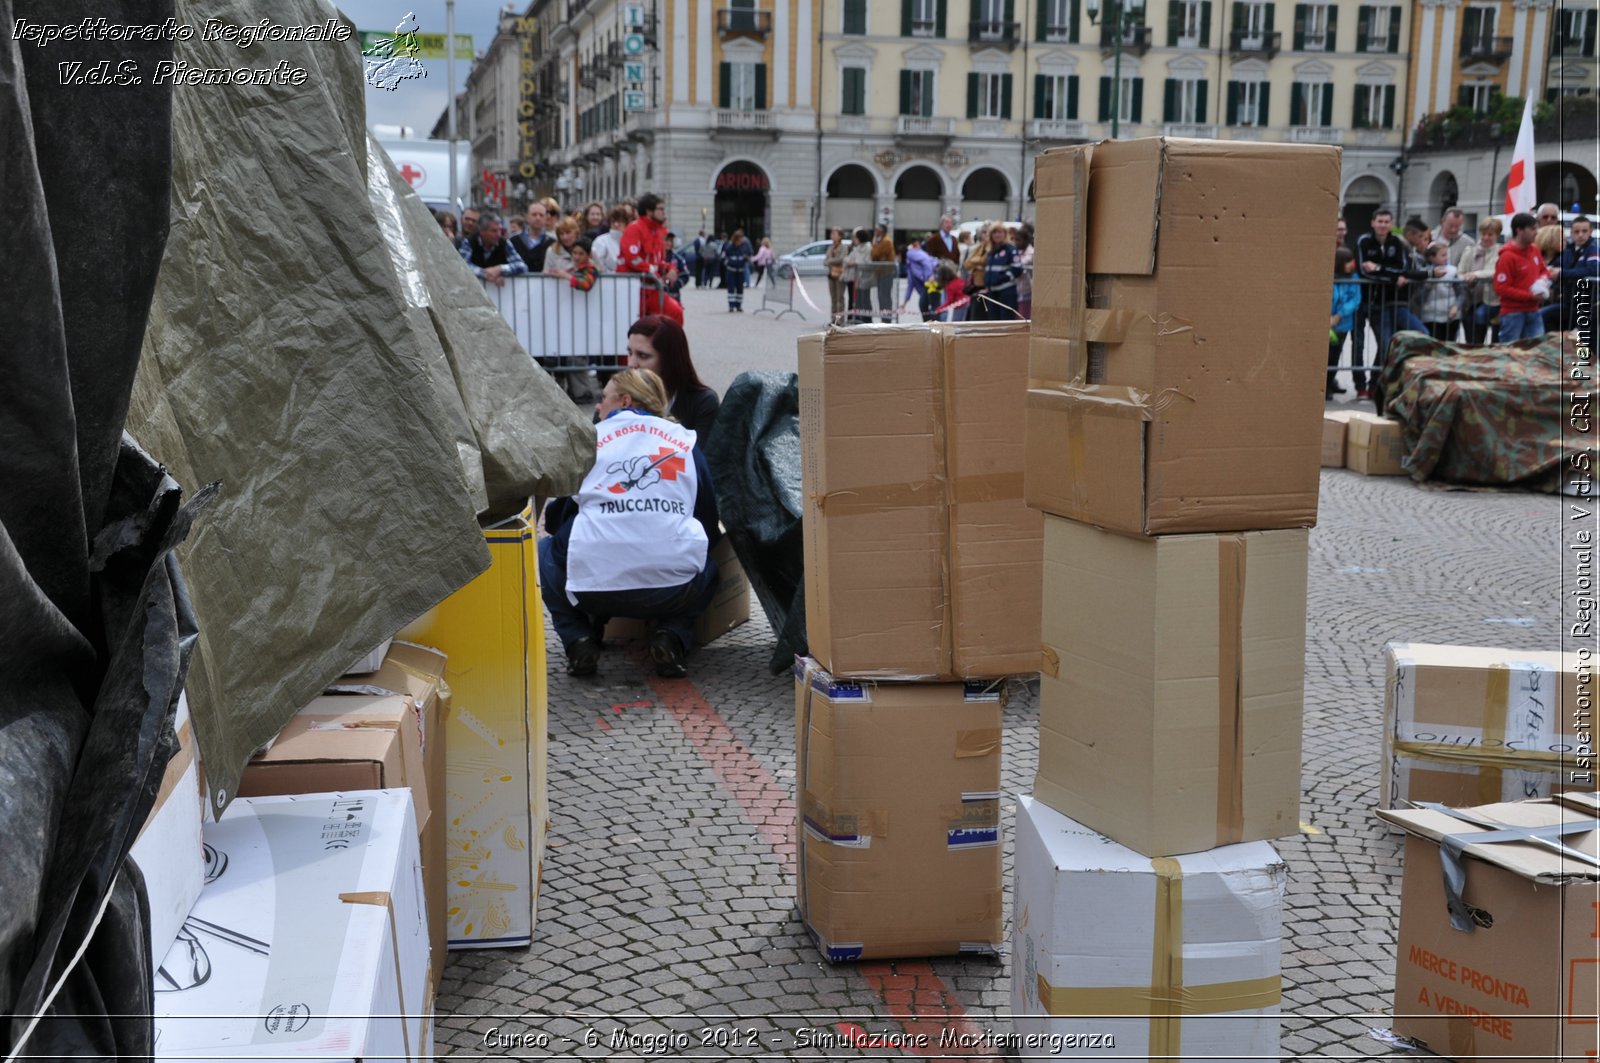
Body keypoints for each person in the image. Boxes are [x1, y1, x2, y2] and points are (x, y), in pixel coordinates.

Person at [537, 368, 721, 679]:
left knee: (544, 551)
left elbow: (557, 518)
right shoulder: (684, 443)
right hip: (673, 589)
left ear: (624, 401)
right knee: (710, 565)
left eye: (603, 398)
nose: (598, 406)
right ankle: (671, 635)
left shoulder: (592, 440)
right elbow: (706, 518)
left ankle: (578, 639)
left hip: (591, 590)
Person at [626, 315, 720, 440]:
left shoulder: (702, 402)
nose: (631, 363)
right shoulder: (615, 396)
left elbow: (702, 457)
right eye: (630, 353)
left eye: (642, 356)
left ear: (669, 359)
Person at [1353, 209, 1412, 398]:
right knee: (1358, 345)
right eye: (1380, 221)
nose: (1383, 225)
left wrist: (1379, 268)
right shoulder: (1363, 241)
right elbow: (1364, 273)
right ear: (1373, 223)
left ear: (1391, 224)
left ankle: (1375, 384)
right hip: (1361, 302)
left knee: (1385, 344)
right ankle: (1360, 386)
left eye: (1387, 222)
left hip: (1383, 302)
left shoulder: (1397, 242)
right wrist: (1391, 276)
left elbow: (1402, 268)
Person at [618, 192, 682, 323]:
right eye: (660, 209)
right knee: (637, 325)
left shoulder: (658, 231)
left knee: (675, 312)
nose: (664, 212)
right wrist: (652, 270)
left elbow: (659, 261)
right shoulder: (634, 228)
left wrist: (670, 268)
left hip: (652, 290)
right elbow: (632, 258)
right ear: (649, 211)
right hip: (635, 290)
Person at [1493, 212, 1552, 342]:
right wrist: (1529, 296)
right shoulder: (1507, 257)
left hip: (1534, 310)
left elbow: (1543, 270)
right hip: (1513, 313)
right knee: (1511, 353)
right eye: (1532, 229)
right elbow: (1501, 288)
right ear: (1519, 230)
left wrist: (1543, 280)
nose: (1536, 232)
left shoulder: (1535, 250)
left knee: (1536, 350)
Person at [1456, 217, 1503, 344]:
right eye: (1483, 234)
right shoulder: (1469, 251)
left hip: (1492, 300)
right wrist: (1465, 277)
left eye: (1490, 234)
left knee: (1479, 316)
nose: (1486, 237)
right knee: (1468, 325)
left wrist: (1476, 275)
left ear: (1497, 235)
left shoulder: (1501, 252)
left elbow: (1496, 272)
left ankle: (1480, 349)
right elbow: (1460, 272)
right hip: (1470, 298)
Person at [458, 212, 528, 287]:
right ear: (482, 231)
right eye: (494, 231)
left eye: (500, 230)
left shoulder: (504, 243)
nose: (498, 234)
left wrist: (500, 269)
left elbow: (522, 266)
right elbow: (462, 266)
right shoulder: (469, 242)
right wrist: (484, 273)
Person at [1329, 247, 1361, 397]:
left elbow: (1355, 299)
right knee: (1325, 357)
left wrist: (1338, 315)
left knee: (1335, 356)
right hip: (1328, 324)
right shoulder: (1329, 276)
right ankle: (1324, 386)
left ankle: (1329, 384)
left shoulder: (1354, 278)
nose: (1351, 264)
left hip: (1342, 324)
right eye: (1347, 261)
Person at [1558, 216, 1598, 333]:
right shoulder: (1568, 250)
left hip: (1587, 304)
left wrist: (1562, 273)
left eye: (1584, 231)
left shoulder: (1593, 249)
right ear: (1571, 233)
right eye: (1576, 231)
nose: (1580, 235)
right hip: (1568, 301)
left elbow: (1593, 270)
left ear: (1590, 231)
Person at [1416, 242, 1463, 342]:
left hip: (1451, 317)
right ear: (1432, 257)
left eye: (1447, 254)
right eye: (1443, 255)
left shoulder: (1452, 271)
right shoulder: (1424, 273)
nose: (1446, 258)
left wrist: (1456, 306)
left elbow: (1460, 293)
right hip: (1430, 317)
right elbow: (1418, 298)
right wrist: (1430, 283)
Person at [979, 223, 1022, 318]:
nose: (997, 235)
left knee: (1005, 323)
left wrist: (1000, 278)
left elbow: (1017, 269)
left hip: (1006, 293)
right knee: (993, 323)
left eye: (1000, 232)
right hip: (992, 293)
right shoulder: (991, 252)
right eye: (994, 232)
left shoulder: (1011, 250)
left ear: (1005, 234)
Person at [868, 225, 898, 322]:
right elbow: (875, 255)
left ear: (882, 231)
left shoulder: (886, 241)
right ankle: (884, 318)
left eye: (877, 230)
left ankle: (887, 319)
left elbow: (874, 254)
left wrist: (874, 244)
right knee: (881, 296)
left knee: (884, 297)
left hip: (886, 273)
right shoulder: (880, 241)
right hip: (881, 272)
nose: (875, 232)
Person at [902, 236, 936, 321]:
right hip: (929, 283)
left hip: (931, 281)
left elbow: (926, 262)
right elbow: (910, 285)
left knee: (928, 306)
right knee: (925, 306)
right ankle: (931, 326)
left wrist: (929, 276)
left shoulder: (911, 254)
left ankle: (934, 327)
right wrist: (904, 303)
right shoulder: (910, 262)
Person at [513, 200, 554, 272]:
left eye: (541, 215)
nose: (538, 218)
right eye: (534, 214)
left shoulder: (553, 244)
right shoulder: (513, 241)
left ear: (545, 218)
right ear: (526, 217)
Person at [962, 225, 992, 321]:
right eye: (983, 232)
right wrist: (978, 264)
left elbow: (985, 260)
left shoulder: (991, 247)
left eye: (987, 232)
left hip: (987, 287)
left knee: (982, 317)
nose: (985, 235)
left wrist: (975, 262)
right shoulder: (979, 247)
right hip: (976, 287)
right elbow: (966, 264)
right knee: (972, 317)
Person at [590, 205, 632, 273]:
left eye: (620, 221)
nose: (616, 224)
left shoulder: (632, 241)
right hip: (607, 281)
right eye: (613, 221)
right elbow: (598, 264)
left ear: (626, 223)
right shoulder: (601, 241)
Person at [844, 228, 873, 323]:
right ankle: (857, 318)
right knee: (856, 299)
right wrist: (851, 262)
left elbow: (867, 262)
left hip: (865, 278)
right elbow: (847, 259)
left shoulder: (868, 247)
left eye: (855, 237)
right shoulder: (856, 248)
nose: (854, 240)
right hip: (856, 278)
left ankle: (867, 319)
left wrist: (855, 263)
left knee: (865, 299)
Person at [721, 229, 752, 312]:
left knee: (740, 288)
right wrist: (728, 263)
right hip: (731, 270)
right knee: (731, 288)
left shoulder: (744, 246)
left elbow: (749, 255)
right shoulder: (729, 246)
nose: (741, 241)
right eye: (739, 239)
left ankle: (738, 305)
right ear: (735, 239)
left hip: (740, 270)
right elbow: (723, 257)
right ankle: (731, 305)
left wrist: (746, 259)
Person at [824, 229, 850, 323]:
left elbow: (841, 259)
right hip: (831, 275)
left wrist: (830, 260)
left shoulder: (843, 247)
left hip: (840, 275)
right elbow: (825, 260)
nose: (832, 235)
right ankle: (833, 319)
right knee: (833, 299)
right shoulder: (830, 248)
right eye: (832, 233)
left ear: (840, 236)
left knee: (840, 299)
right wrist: (829, 261)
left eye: (834, 234)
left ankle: (840, 320)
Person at [1014, 226, 1035, 320]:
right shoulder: (1018, 251)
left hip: (1027, 291)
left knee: (1024, 318)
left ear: (1026, 240)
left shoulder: (1031, 253)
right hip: (1018, 290)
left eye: (1019, 240)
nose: (1016, 243)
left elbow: (1021, 264)